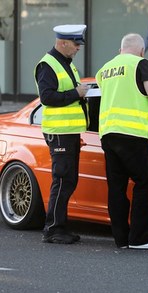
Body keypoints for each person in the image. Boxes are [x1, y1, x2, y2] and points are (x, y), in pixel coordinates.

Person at [95, 33, 148, 250]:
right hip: (132, 134)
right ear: (142, 51)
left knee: (117, 187)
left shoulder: (104, 70)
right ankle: (140, 239)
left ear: (120, 49)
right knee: (145, 184)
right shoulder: (141, 64)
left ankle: (121, 239)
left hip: (108, 134)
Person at [34, 24, 89, 244]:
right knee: (63, 179)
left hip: (69, 132)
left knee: (68, 180)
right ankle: (53, 229)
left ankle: (60, 226)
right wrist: (76, 93)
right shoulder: (48, 64)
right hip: (59, 133)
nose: (78, 48)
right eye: (76, 44)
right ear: (63, 42)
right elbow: (47, 97)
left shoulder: (66, 64)